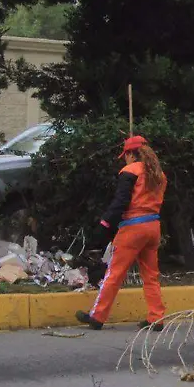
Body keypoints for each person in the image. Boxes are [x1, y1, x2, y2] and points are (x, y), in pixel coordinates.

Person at [76, 136, 168, 331]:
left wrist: (104, 224)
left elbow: (121, 202)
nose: (124, 160)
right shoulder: (159, 174)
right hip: (153, 227)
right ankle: (156, 317)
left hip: (133, 228)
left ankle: (97, 316)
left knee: (114, 273)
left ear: (130, 154)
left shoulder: (130, 171)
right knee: (151, 275)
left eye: (124, 155)